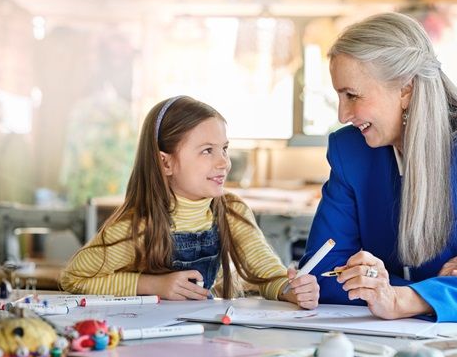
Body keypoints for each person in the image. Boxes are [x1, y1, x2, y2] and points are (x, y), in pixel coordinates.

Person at [299, 12, 457, 322]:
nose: (343, 114)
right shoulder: (349, 150)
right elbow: (322, 272)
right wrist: (427, 291)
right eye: (339, 95)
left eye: (352, 95)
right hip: (383, 334)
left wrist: (401, 298)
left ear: (406, 89)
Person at [61, 96, 319, 309]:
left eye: (225, 149)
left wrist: (290, 290)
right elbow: (74, 279)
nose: (223, 162)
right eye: (207, 150)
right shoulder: (138, 225)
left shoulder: (231, 210)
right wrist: (152, 285)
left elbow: (267, 274)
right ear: (165, 162)